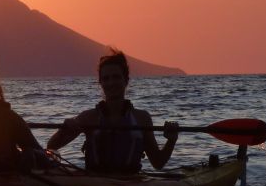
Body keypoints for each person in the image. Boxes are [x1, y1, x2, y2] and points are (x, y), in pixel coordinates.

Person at [46, 50, 178, 173]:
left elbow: (158, 163)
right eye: (106, 78)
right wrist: (64, 129)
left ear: (126, 80)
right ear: (100, 83)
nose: (111, 83)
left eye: (116, 77)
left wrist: (171, 140)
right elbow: (52, 146)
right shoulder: (88, 117)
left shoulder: (141, 118)